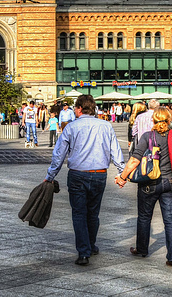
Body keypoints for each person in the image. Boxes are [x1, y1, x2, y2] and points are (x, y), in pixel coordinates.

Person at [44, 94, 125, 266]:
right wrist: (122, 172)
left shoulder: (71, 128)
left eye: (75, 108)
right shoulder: (105, 126)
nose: (74, 110)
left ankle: (83, 252)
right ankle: (91, 244)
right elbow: (115, 151)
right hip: (99, 173)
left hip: (78, 174)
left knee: (79, 213)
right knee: (93, 212)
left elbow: (59, 154)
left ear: (80, 109)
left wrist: (50, 176)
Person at [117, 107, 172, 267]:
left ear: (153, 120)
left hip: (149, 183)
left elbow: (135, 159)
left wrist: (123, 177)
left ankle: (142, 249)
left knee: (144, 217)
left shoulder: (147, 136)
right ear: (169, 121)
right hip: (169, 184)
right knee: (170, 219)